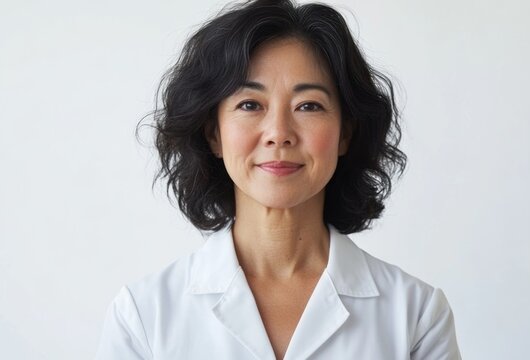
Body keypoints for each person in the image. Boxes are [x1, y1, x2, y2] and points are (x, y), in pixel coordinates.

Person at [94, 0, 461, 359]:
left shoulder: (416, 316)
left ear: (345, 134)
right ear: (214, 135)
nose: (279, 133)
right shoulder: (142, 316)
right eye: (250, 105)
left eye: (308, 106)